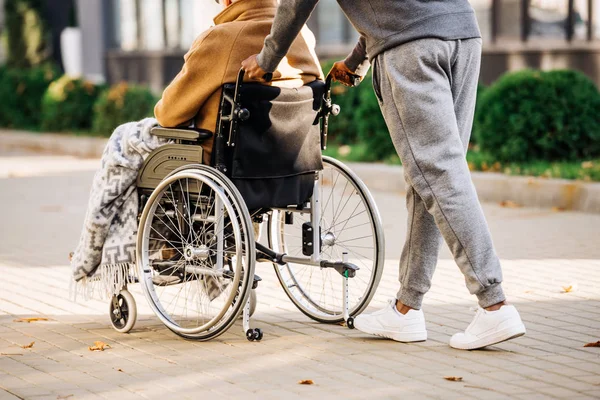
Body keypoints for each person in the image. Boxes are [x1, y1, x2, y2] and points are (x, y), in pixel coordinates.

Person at [242, 0, 526, 350]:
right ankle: (407, 308)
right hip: (462, 35)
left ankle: (493, 302)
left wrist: (265, 60)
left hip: (411, 48)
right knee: (432, 178)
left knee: (438, 176)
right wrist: (358, 58)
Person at [155, 0, 322, 164]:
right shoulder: (303, 36)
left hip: (220, 167)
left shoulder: (219, 38)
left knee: (131, 138)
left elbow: (168, 115)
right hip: (293, 168)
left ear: (227, 1)